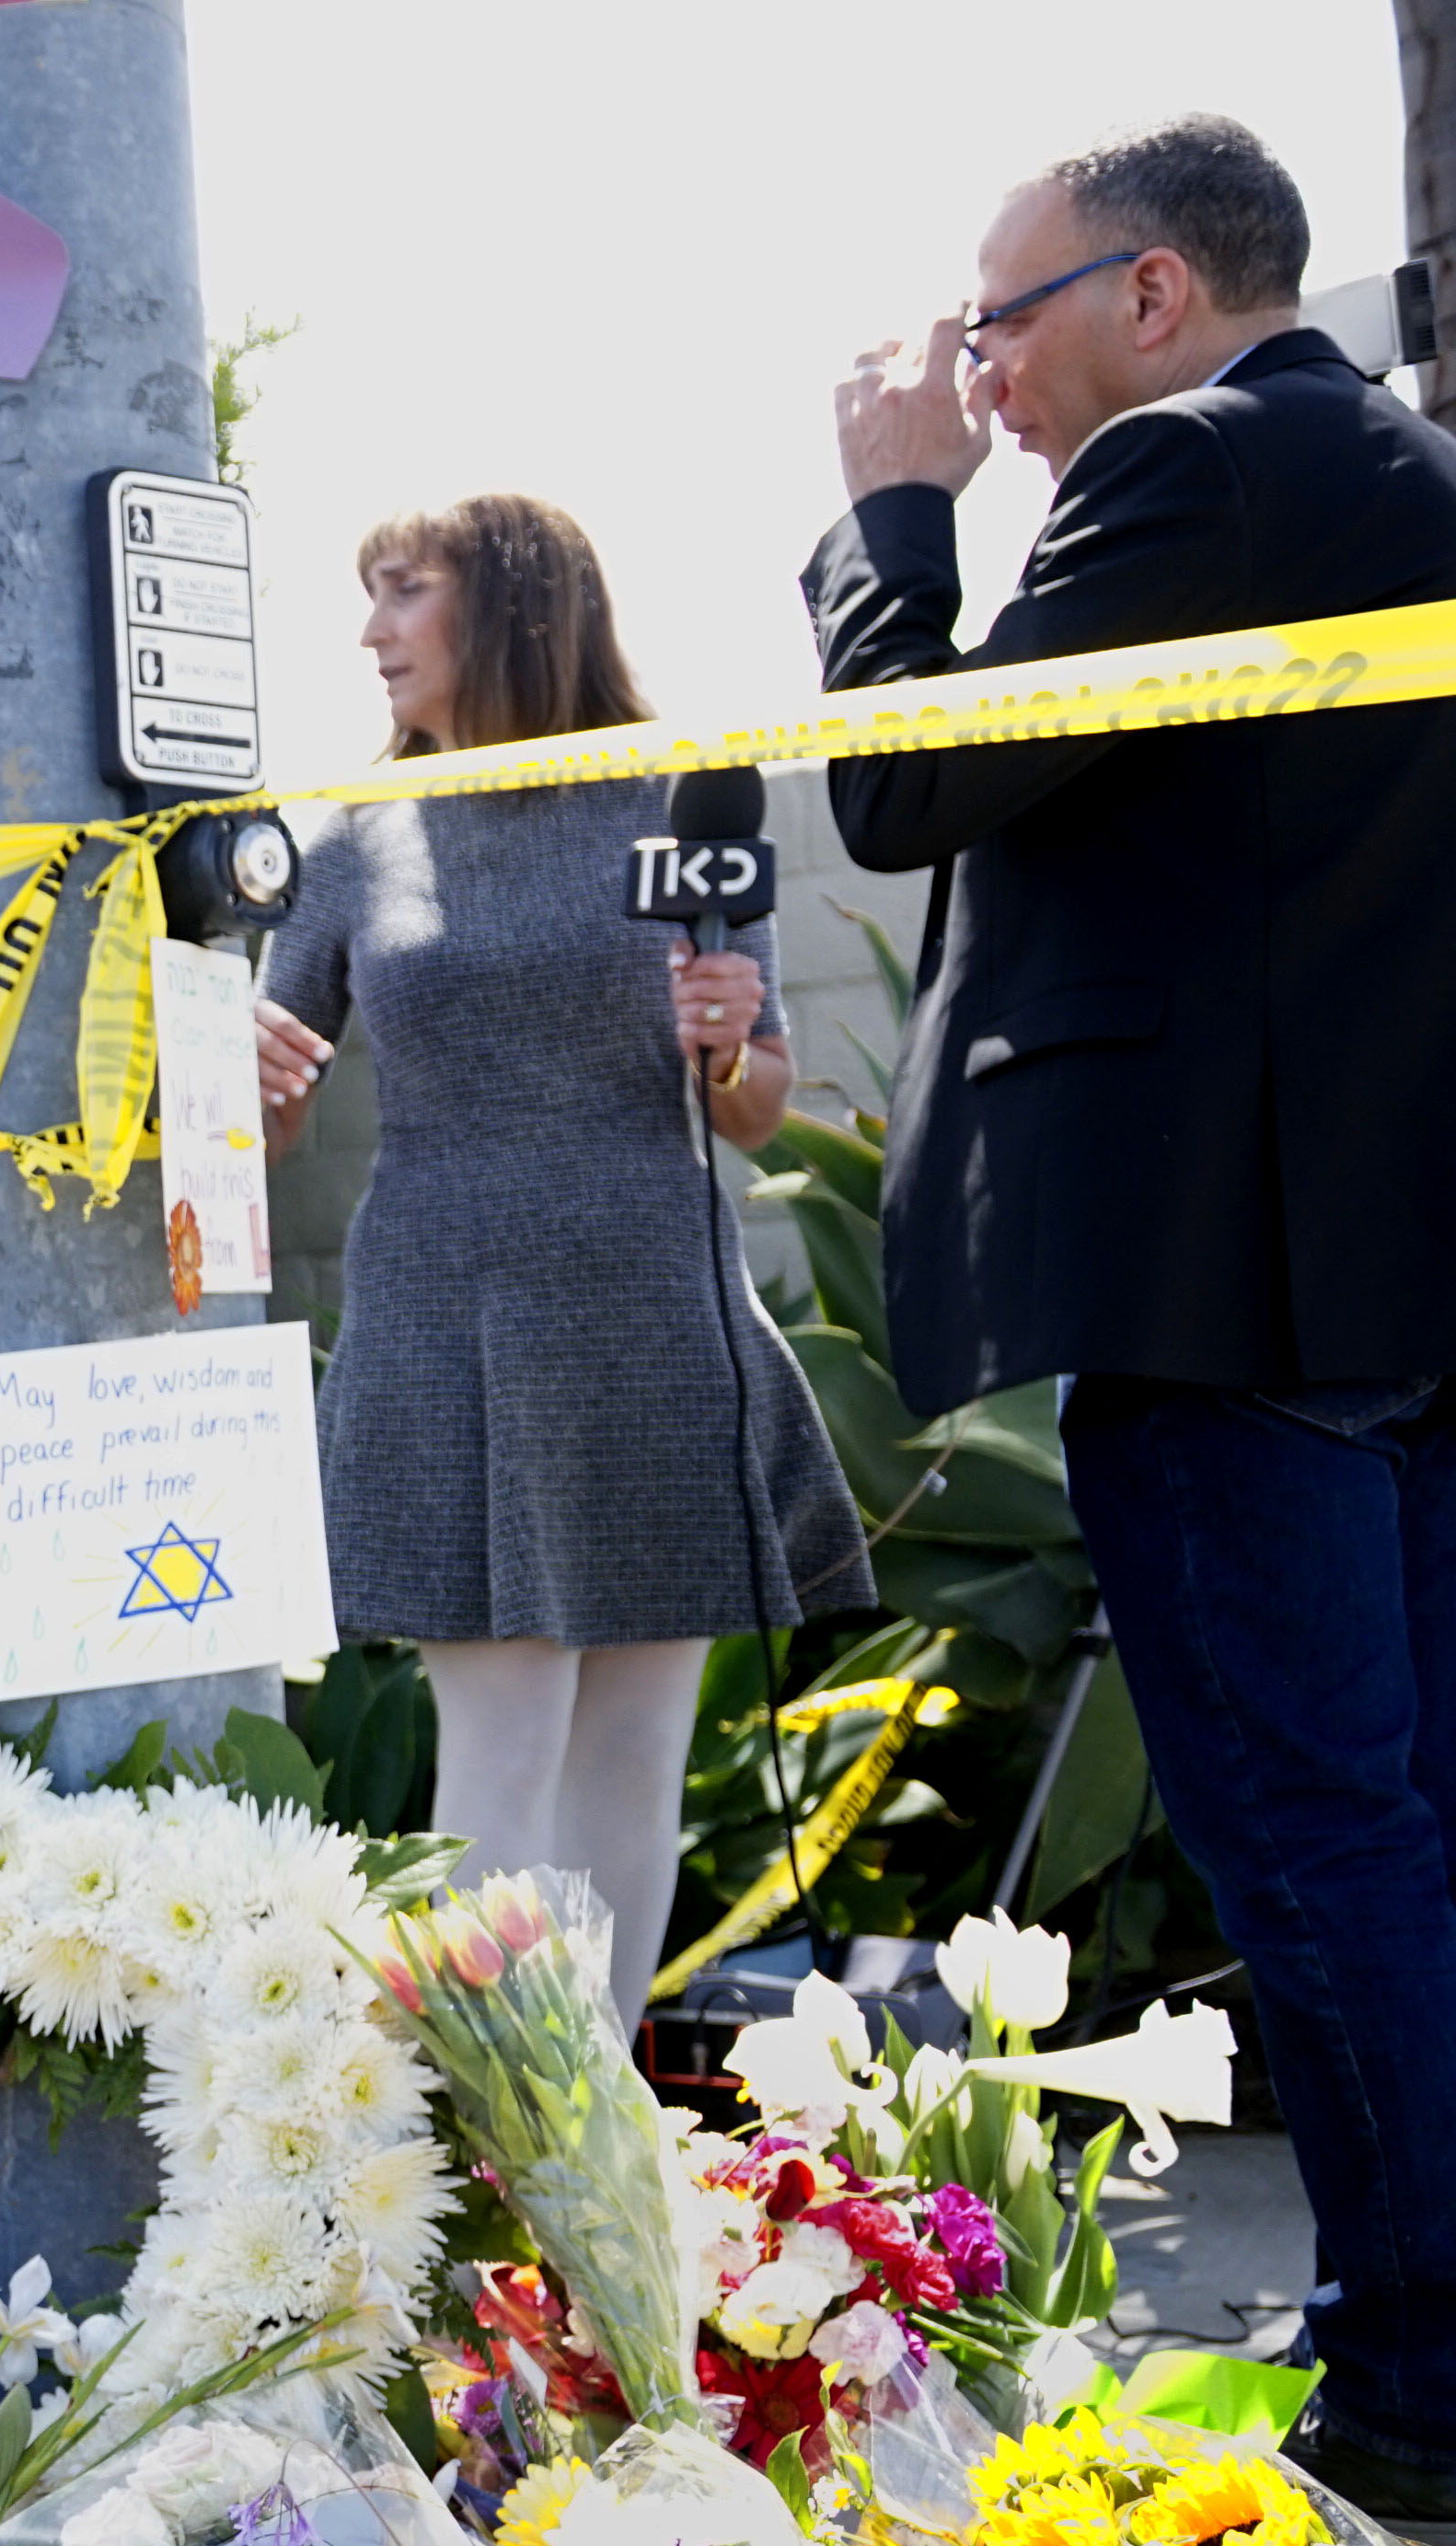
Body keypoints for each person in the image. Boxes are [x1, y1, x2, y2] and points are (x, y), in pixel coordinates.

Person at [811, 117, 1456, 2531]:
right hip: (1386, 1282)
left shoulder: (1183, 466)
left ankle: (1417, 2376)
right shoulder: (1409, 475)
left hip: (1235, 1280)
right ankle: (1424, 2315)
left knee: (1315, 1841)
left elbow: (919, 788)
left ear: (1157, 294)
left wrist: (891, 521)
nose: (975, 375)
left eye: (1003, 321)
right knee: (1404, 1838)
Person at [255, 494, 872, 2021]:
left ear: (513, 605)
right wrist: (241, 1079)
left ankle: (596, 2158)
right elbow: (257, 1114)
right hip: (444, 1330)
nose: (369, 630)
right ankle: (483, 2162)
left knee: (631, 1753)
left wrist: (730, 1045)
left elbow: (753, 1109)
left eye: (401, 592)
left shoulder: (682, 794)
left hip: (656, 1318)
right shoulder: (348, 827)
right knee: (500, 1745)